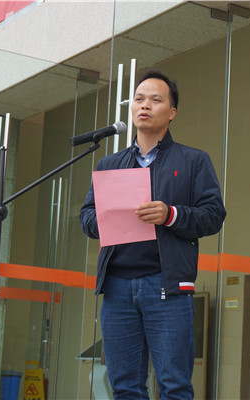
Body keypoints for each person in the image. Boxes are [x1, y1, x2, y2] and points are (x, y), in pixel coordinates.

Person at [79, 70, 226, 399]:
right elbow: (86, 216)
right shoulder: (109, 165)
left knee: (174, 387)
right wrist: (108, 219)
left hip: (167, 286)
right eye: (139, 99)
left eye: (155, 100)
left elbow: (214, 215)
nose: (144, 105)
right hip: (116, 288)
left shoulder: (193, 161)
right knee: (125, 388)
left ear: (171, 112)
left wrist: (170, 214)